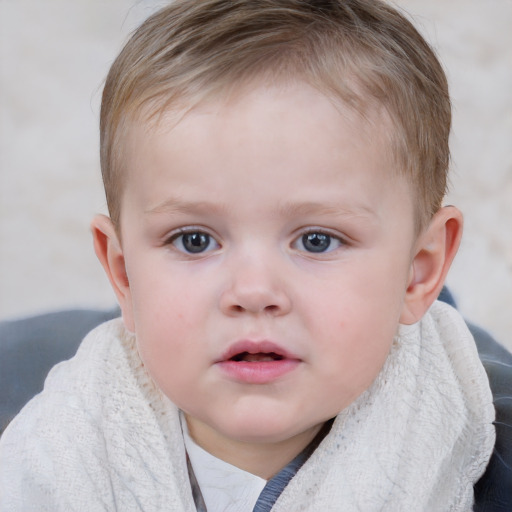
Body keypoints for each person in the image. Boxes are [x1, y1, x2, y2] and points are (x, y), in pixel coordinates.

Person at [0, 0, 508, 510]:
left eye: (317, 240)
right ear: (123, 273)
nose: (253, 291)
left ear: (419, 271)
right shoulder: (55, 454)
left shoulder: (482, 450)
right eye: (194, 240)